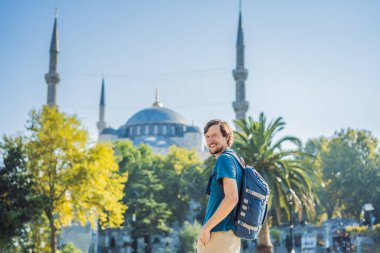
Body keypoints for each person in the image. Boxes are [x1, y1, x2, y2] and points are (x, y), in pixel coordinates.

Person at [197, 119, 243, 253]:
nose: (210, 140)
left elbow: (232, 198)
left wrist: (206, 228)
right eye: (207, 136)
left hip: (218, 235)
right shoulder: (235, 160)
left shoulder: (224, 159)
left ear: (227, 136)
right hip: (229, 237)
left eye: (214, 135)